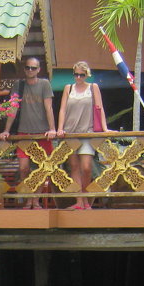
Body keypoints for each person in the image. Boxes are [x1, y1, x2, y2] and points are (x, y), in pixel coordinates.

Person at [0, 57, 56, 209]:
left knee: (41, 168)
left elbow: (48, 107)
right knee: (23, 167)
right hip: (24, 132)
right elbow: (13, 108)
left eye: (33, 68)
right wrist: (6, 130)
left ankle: (35, 199)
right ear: (24, 69)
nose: (30, 70)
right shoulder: (19, 85)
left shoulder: (44, 84)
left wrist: (52, 129)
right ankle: (28, 197)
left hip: (42, 133)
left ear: (38, 69)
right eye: (28, 68)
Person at [56, 61, 109, 210]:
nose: (78, 77)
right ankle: (79, 201)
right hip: (70, 131)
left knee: (86, 167)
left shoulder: (93, 88)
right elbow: (62, 110)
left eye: (82, 75)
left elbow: (99, 108)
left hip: (87, 131)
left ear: (87, 75)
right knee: (74, 166)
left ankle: (85, 198)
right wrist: (60, 128)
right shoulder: (68, 88)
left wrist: (104, 128)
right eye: (76, 74)